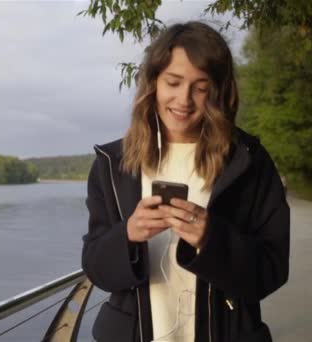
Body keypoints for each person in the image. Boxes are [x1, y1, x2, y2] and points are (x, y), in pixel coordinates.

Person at [82, 21, 290, 342]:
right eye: (173, 82)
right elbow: (96, 270)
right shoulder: (112, 165)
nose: (184, 99)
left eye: (201, 87)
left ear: (218, 91)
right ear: (153, 83)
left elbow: (271, 272)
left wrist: (212, 240)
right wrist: (128, 235)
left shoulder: (249, 162)